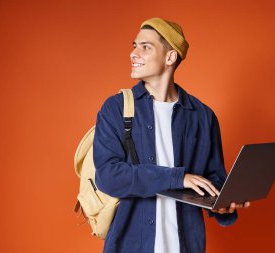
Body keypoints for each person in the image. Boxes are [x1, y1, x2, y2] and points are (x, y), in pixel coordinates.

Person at [93, 17, 250, 253]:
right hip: (130, 245)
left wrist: (220, 204)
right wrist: (178, 177)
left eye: (145, 47)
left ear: (170, 57)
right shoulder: (116, 108)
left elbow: (213, 180)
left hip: (186, 245)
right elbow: (108, 176)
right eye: (134, 45)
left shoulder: (203, 116)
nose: (133, 53)